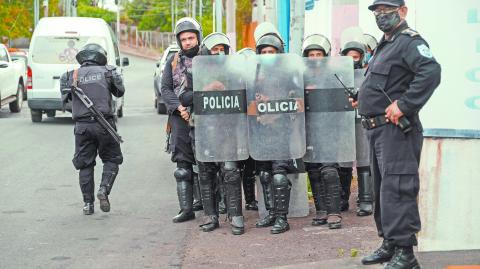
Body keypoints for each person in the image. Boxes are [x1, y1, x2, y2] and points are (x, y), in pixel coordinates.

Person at [353, 1, 441, 268]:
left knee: (398, 188)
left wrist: (404, 104)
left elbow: (431, 72)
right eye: (377, 12)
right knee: (383, 190)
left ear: (402, 11)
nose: (381, 16)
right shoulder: (385, 44)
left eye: (387, 11)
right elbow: (384, 82)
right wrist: (362, 98)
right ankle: (390, 243)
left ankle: (406, 253)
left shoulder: (409, 42)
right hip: (377, 131)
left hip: (397, 133)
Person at [179, 32, 246, 235]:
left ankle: (236, 215)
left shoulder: (236, 72)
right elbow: (184, 96)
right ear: (207, 51)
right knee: (205, 173)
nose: (218, 53)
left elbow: (246, 94)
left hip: (228, 129)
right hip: (202, 129)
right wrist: (206, 88)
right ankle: (210, 215)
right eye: (214, 49)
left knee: (230, 171)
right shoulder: (195, 72)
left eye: (222, 50)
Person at [60, 43, 125, 215]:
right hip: (104, 125)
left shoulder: (69, 75)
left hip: (82, 127)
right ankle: (103, 190)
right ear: (100, 56)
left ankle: (88, 205)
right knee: (112, 159)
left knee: (85, 165)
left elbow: (65, 103)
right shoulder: (108, 71)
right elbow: (120, 92)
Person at [252, 30, 302, 234]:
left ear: (279, 52)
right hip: (260, 131)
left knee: (279, 174)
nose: (267, 54)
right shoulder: (254, 74)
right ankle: (271, 213)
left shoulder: (288, 74)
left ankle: (282, 218)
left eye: (271, 51)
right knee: (264, 174)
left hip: (281, 130)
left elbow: (296, 102)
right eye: (263, 51)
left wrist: (274, 111)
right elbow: (248, 101)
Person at [161, 17, 202, 223]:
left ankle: (215, 205)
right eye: (184, 39)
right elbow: (166, 89)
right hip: (179, 117)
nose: (187, 42)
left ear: (198, 38)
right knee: (183, 167)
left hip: (206, 116)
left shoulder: (208, 57)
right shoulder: (173, 61)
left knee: (210, 164)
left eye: (191, 38)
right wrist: (179, 108)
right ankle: (187, 209)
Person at [302, 34, 343, 229]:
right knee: (313, 169)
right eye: (312, 54)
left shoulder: (333, 75)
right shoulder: (299, 77)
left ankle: (334, 212)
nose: (315, 57)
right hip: (307, 128)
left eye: (319, 54)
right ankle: (321, 210)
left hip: (328, 128)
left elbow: (341, 100)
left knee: (329, 169)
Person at [339, 38, 374, 217]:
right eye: (348, 56)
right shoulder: (335, 74)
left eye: (356, 56)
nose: (352, 60)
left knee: (364, 159)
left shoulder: (368, 73)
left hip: (361, 119)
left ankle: (366, 199)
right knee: (343, 160)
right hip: (342, 121)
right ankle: (342, 198)